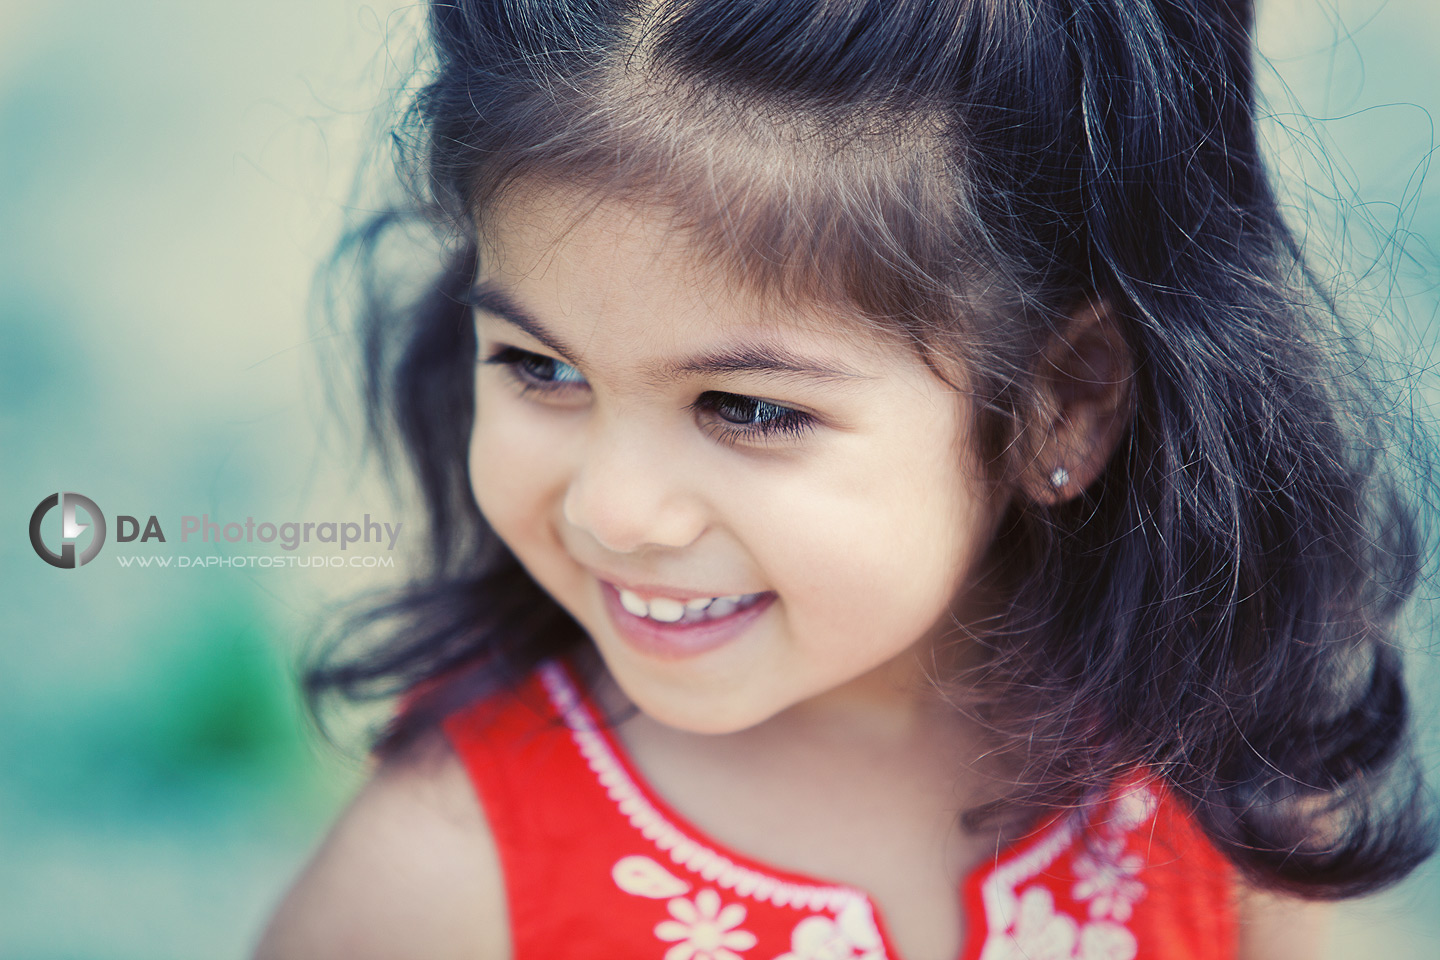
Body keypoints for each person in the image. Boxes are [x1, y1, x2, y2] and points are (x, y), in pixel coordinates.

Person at [253, 1, 1438, 957]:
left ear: (1058, 405)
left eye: (751, 408)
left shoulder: (1218, 768)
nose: (613, 508)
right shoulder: (442, 875)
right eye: (541, 366)